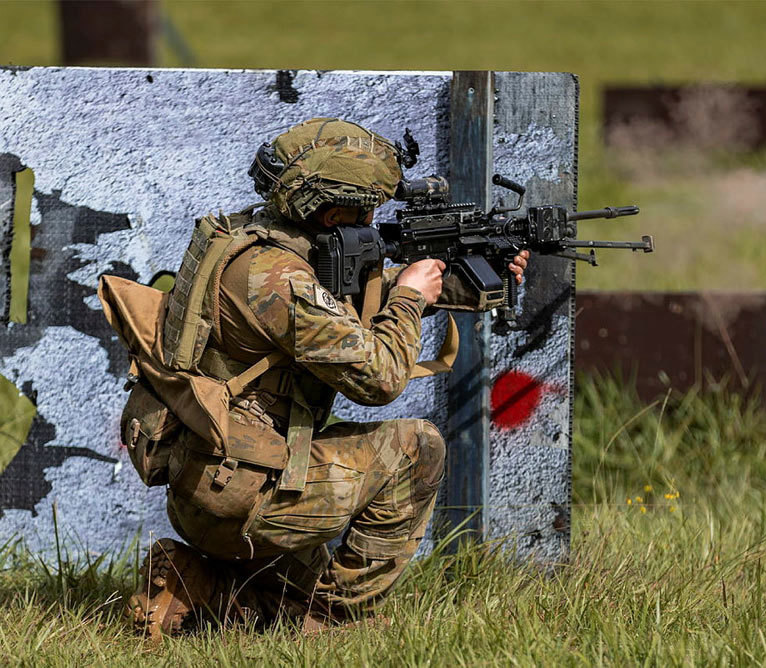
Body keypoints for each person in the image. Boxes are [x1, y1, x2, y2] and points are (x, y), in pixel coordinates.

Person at [127, 118, 529, 638]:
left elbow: (343, 311)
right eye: (367, 209)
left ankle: (196, 584)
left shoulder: (252, 244)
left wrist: (467, 282)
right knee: (418, 447)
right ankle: (337, 620)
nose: (374, 218)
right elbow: (379, 380)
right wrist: (409, 295)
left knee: (290, 587)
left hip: (207, 483)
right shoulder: (281, 281)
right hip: (246, 495)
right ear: (333, 210)